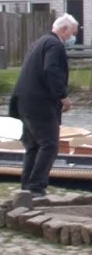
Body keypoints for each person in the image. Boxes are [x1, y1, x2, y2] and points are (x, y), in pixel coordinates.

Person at [7, 14, 79, 197]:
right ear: (64, 29)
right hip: (40, 102)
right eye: (72, 33)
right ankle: (36, 187)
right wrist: (63, 96)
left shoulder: (40, 42)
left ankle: (26, 186)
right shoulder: (54, 45)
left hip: (24, 101)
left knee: (33, 145)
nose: (72, 38)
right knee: (49, 145)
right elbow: (51, 70)